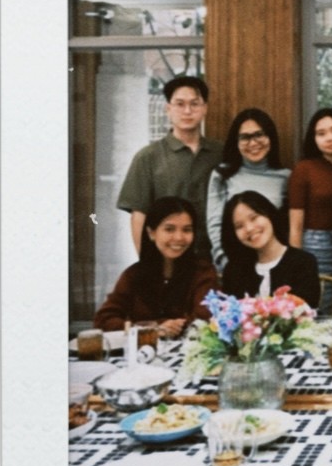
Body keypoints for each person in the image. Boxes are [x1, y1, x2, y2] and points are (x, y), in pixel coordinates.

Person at [116, 74, 222, 260]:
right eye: (180, 104)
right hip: (167, 259)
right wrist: (146, 264)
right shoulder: (148, 157)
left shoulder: (220, 154)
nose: (187, 111)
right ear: (168, 109)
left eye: (194, 104)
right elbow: (139, 215)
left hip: (213, 258)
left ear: (205, 108)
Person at [93, 196, 217, 335]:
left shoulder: (204, 272)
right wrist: (153, 329)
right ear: (151, 233)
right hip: (142, 353)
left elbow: (204, 319)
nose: (179, 237)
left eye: (187, 230)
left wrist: (161, 327)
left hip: (189, 353)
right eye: (169, 229)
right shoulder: (133, 274)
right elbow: (103, 320)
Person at [205, 107, 290, 274]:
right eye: (245, 137)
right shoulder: (222, 174)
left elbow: (289, 226)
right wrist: (226, 262)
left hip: (275, 266)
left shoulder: (286, 177)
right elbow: (214, 223)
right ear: (235, 142)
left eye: (259, 135)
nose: (253, 143)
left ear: (270, 137)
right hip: (234, 265)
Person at [287, 107, 332, 280]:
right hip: (318, 246)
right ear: (314, 139)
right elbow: (295, 226)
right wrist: (296, 264)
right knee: (324, 300)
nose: (330, 138)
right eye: (321, 133)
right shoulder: (304, 169)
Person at [219, 191, 320, 309]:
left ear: (269, 214)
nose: (249, 228)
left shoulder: (303, 262)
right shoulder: (234, 270)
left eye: (254, 218)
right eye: (239, 226)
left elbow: (306, 313)